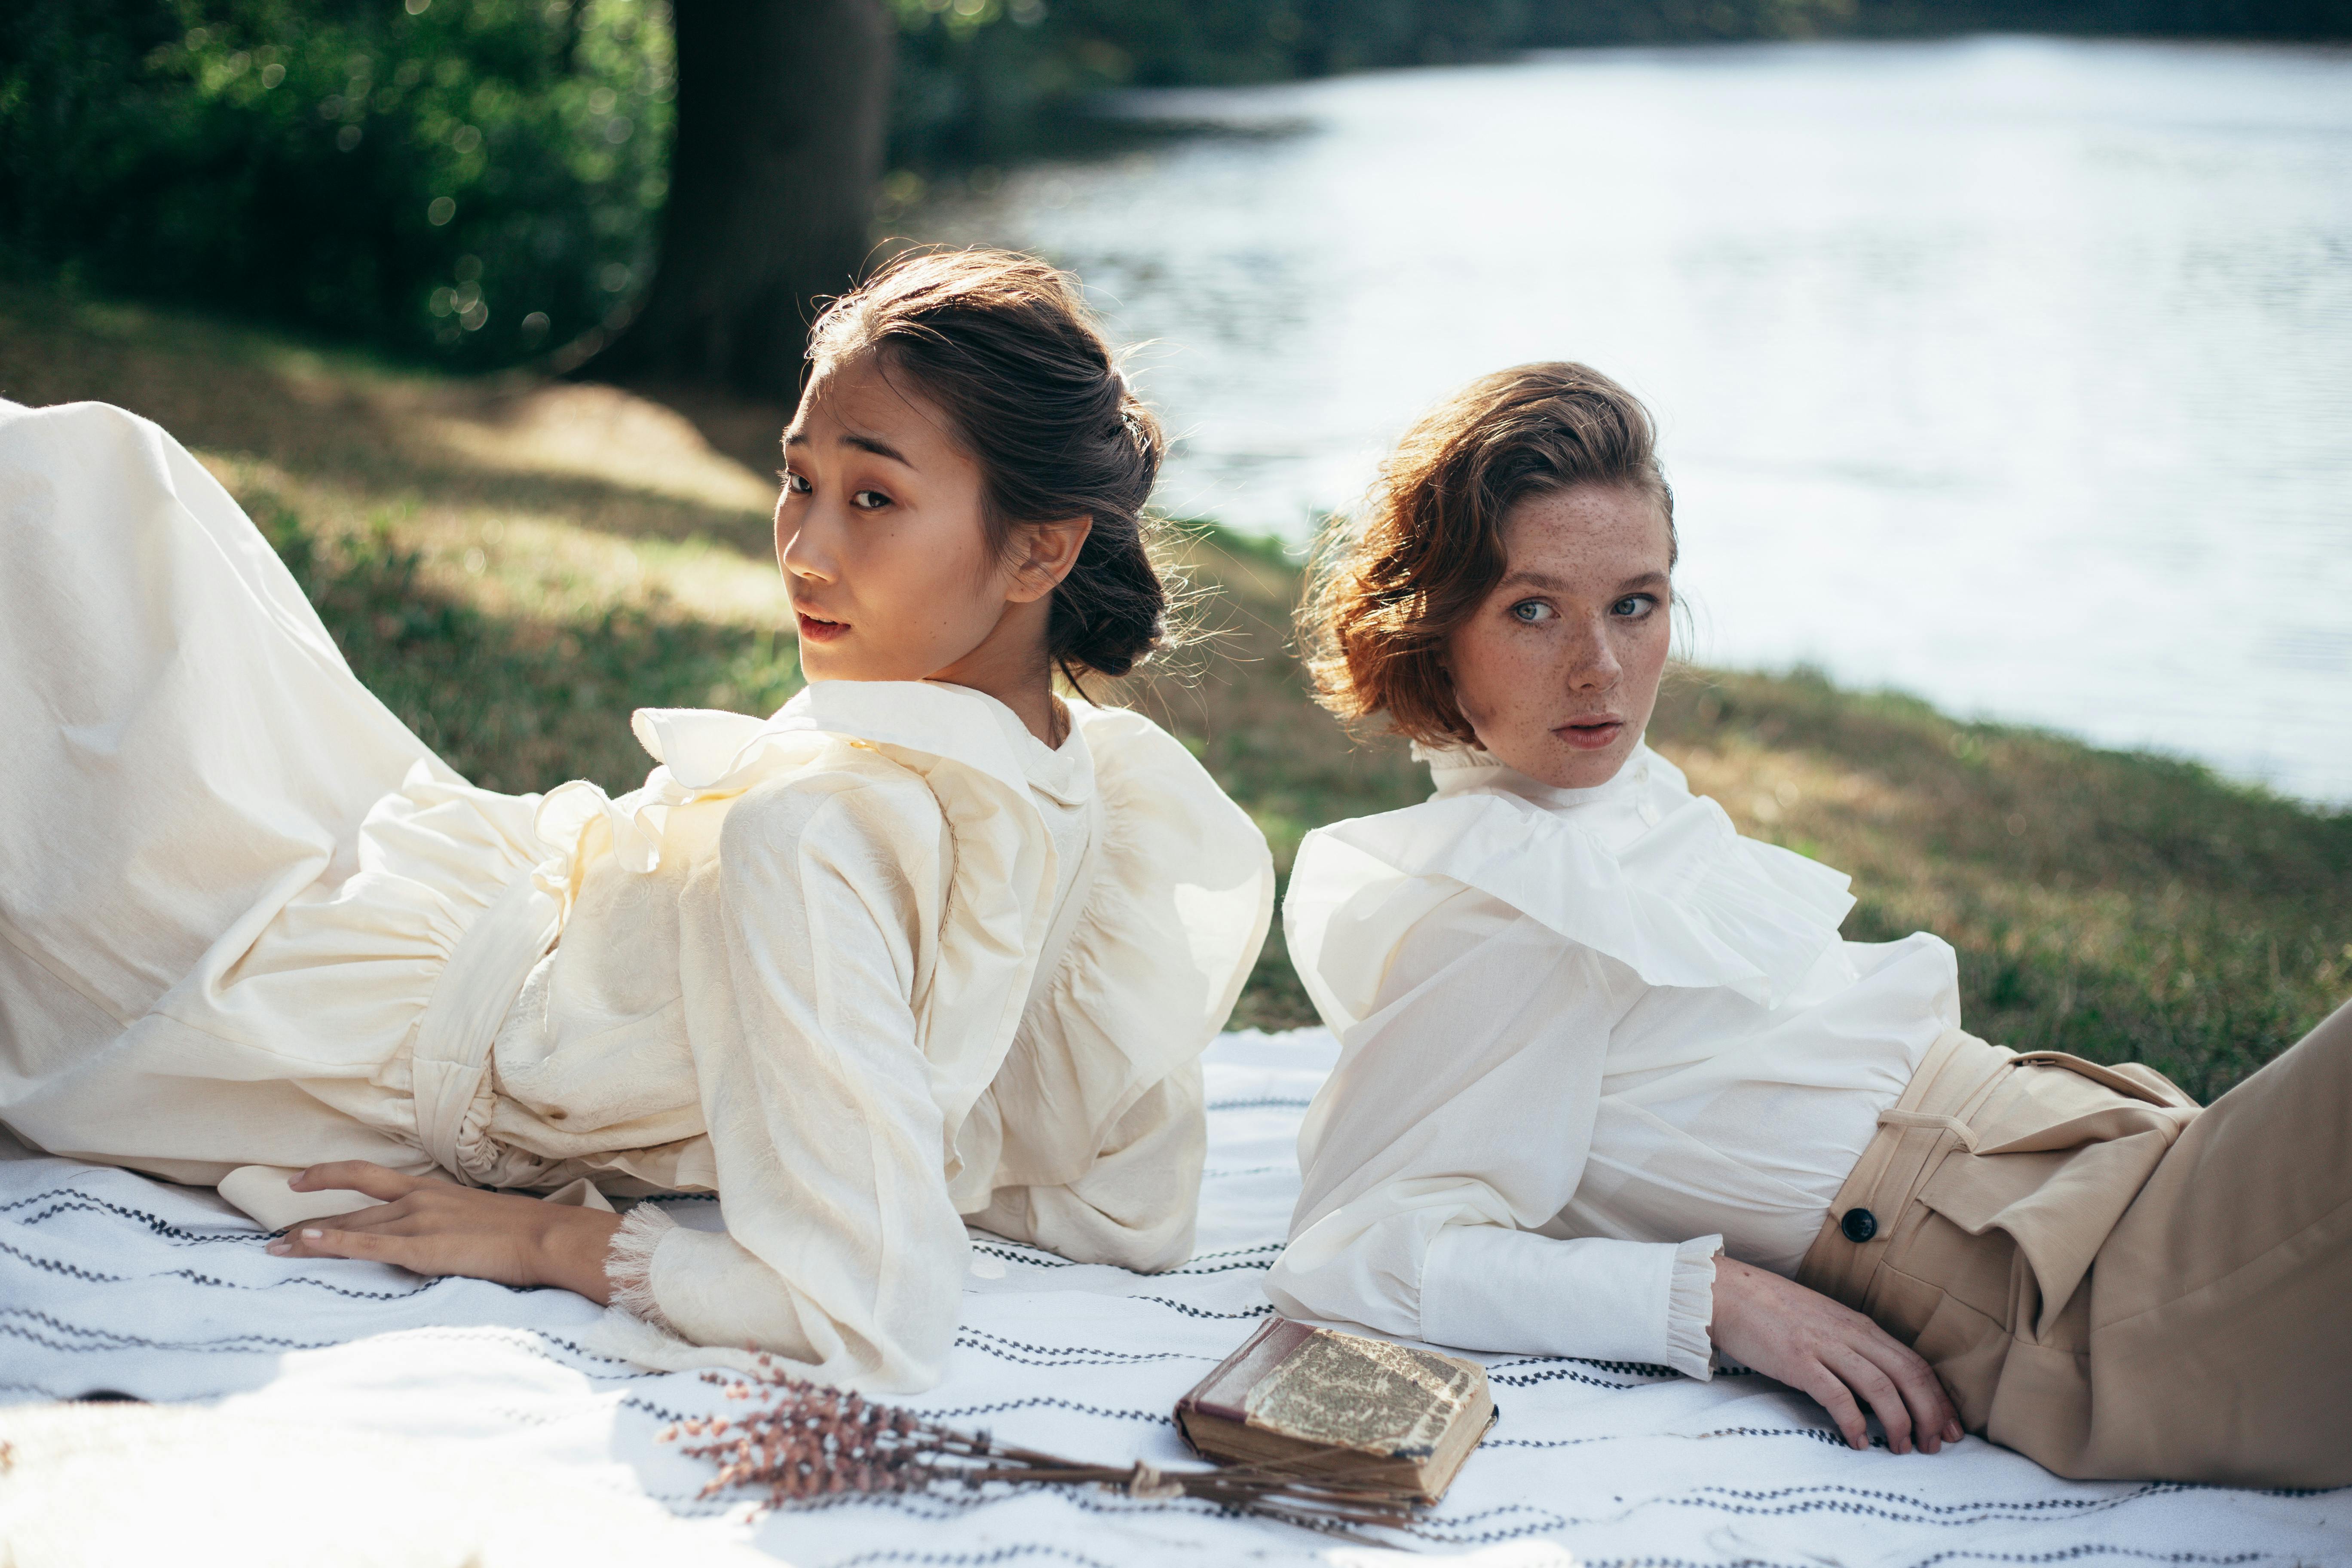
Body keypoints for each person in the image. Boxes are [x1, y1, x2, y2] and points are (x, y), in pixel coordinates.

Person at [0, 248, 1274, 1393]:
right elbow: (1121, 1206)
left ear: (1040, 553)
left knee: (52, 521)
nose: (805, 550)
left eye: (873, 500)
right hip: (456, 871)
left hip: (323, 1005)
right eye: (798, 479)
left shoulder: (820, 837)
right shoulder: (1090, 775)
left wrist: (552, 1237)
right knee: (105, 486)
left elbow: (867, 1304)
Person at [1265, 362, 2350, 1488]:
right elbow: (1348, 1256)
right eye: (1534, 610)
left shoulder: (1609, 811)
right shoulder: (1506, 911)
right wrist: (1716, 1300)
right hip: (2089, 1298)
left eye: (1635, 604)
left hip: (2115, 1165)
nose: (1602, 669)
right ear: (1435, 630)